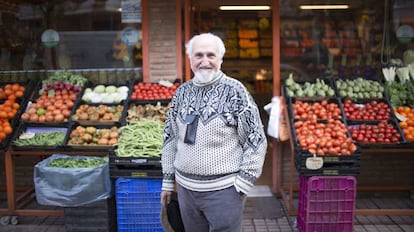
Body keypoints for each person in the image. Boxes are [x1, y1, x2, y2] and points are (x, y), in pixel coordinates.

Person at [160, 32, 268, 232]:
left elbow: (256, 139)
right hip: (186, 191)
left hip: (224, 192)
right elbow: (170, 137)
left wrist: (243, 183)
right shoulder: (181, 92)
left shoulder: (236, 91)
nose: (205, 61)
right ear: (190, 59)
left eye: (211, 55)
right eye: (198, 55)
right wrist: (168, 181)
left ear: (220, 59)